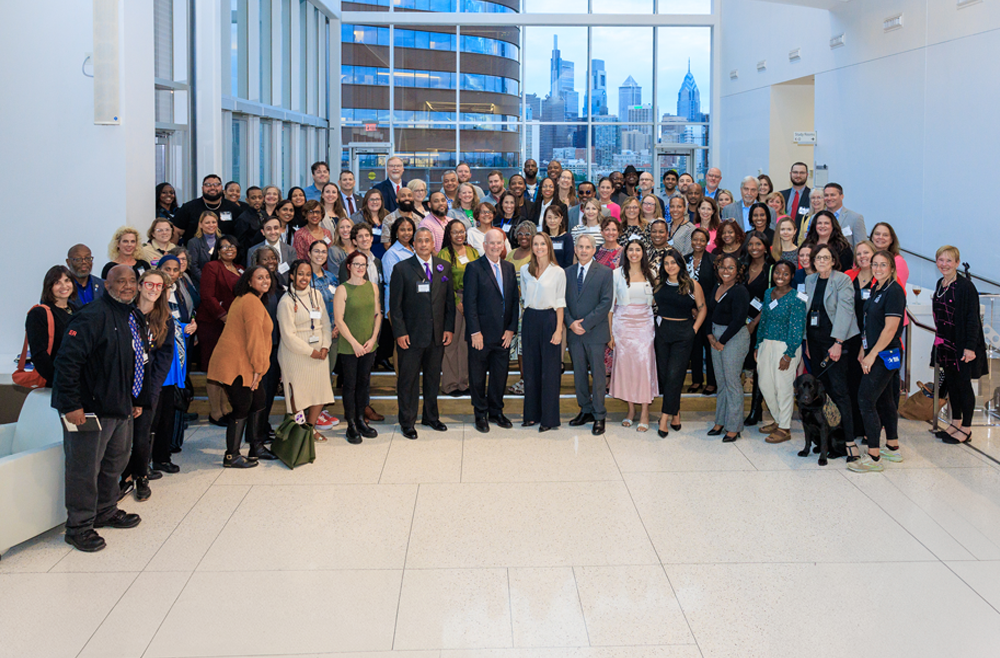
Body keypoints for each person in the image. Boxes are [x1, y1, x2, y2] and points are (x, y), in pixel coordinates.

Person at [52, 265, 145, 552]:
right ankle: (78, 526)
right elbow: (67, 363)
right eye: (121, 281)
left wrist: (136, 399)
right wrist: (71, 405)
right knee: (84, 469)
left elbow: (138, 358)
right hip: (89, 410)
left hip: (120, 406)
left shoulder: (133, 315)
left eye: (132, 281)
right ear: (107, 285)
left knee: (114, 464)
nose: (128, 286)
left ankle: (105, 510)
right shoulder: (91, 316)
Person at [390, 227, 455, 439]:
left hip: (437, 336)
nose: (424, 244)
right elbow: (395, 306)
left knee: (432, 379)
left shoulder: (443, 267)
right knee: (408, 381)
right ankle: (407, 422)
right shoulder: (401, 269)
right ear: (414, 244)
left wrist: (448, 328)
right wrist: (400, 332)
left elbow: (449, 303)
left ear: (433, 244)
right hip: (411, 336)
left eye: (428, 240)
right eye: (420, 241)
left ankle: (431, 417)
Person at [206, 266, 274, 467]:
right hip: (237, 363)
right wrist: (257, 369)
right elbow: (254, 337)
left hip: (244, 360)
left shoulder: (251, 300)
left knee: (258, 401)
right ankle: (232, 455)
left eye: (267, 277)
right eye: (259, 277)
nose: (265, 280)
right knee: (242, 406)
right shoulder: (251, 302)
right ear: (249, 281)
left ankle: (257, 447)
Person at [120, 269, 174, 499]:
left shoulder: (164, 318)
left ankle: (141, 476)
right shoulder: (124, 314)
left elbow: (164, 357)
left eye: (159, 286)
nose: (153, 289)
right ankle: (124, 478)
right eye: (149, 285)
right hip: (121, 384)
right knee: (121, 437)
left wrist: (150, 392)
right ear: (140, 286)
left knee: (142, 435)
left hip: (148, 385)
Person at [851, 251, 906, 472]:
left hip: (885, 355)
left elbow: (891, 327)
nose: (878, 268)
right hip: (875, 351)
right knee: (884, 400)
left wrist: (872, 354)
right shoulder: (877, 288)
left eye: (883, 264)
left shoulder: (894, 290)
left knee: (865, 399)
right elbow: (869, 324)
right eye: (875, 264)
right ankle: (892, 447)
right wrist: (862, 349)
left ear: (892, 267)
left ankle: (873, 457)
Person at [804, 243, 859, 456]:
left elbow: (846, 311)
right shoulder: (810, 280)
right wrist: (806, 341)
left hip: (836, 343)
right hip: (815, 343)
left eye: (826, 258)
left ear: (834, 260)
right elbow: (807, 313)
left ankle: (848, 440)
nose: (822, 262)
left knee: (840, 391)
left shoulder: (842, 280)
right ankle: (827, 438)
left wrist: (838, 342)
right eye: (818, 258)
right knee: (823, 390)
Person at [932, 245, 988, 445]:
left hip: (963, 345)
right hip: (946, 343)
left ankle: (966, 428)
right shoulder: (940, 283)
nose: (944, 264)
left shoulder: (965, 287)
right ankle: (954, 423)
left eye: (949, 260)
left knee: (964, 385)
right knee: (952, 385)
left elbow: (973, 319)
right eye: (941, 260)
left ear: (957, 263)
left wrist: (970, 347)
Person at [463, 229, 518, 433]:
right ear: (484, 245)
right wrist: (475, 332)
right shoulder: (474, 268)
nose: (495, 246)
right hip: (481, 336)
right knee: (477, 377)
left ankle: (496, 412)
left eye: (499, 243)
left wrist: (511, 329)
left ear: (503, 245)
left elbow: (513, 300)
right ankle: (480, 414)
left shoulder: (509, 267)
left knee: (499, 376)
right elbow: (470, 303)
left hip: (503, 335)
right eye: (491, 243)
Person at [278, 259, 337, 444]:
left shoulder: (316, 294)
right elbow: (288, 336)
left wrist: (325, 345)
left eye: (308, 274)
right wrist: (311, 352)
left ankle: (310, 429)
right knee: (299, 394)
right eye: (300, 274)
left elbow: (326, 323)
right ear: (292, 276)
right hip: (296, 353)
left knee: (319, 391)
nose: (304, 277)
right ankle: (298, 431)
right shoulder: (286, 301)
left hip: (320, 350)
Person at [652, 248, 707, 436]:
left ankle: (664, 418)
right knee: (665, 376)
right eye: (666, 263)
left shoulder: (692, 285)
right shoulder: (659, 284)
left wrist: (694, 329)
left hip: (683, 334)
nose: (670, 266)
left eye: (673, 262)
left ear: (680, 264)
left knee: (675, 375)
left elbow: (702, 308)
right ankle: (675, 413)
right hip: (662, 333)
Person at [564, 234, 614, 436]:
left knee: (598, 375)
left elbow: (606, 303)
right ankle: (584, 409)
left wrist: (585, 323)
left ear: (594, 250)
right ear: (575, 249)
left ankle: (599, 414)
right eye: (580, 247)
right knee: (579, 374)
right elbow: (562, 301)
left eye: (588, 247)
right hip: (574, 333)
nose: (583, 250)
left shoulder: (605, 272)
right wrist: (570, 323)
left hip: (594, 332)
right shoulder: (566, 273)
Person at [754, 261, 806, 444]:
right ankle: (777, 420)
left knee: (783, 387)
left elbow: (797, 328)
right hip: (766, 344)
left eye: (785, 274)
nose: (780, 277)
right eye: (777, 272)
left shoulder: (797, 298)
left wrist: (789, 354)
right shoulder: (768, 293)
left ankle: (784, 427)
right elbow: (764, 320)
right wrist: (758, 344)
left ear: (792, 276)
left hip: (786, 346)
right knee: (765, 384)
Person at [609, 241, 659, 432]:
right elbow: (611, 306)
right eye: (630, 249)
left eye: (638, 249)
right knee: (627, 368)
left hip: (644, 324)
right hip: (623, 325)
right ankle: (630, 410)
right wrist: (611, 333)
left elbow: (656, 299)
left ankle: (645, 410)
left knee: (644, 365)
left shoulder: (652, 273)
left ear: (643, 252)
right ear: (626, 252)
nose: (634, 253)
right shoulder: (616, 274)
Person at [334, 250, 383, 443]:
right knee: (350, 384)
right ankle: (351, 423)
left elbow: (377, 314)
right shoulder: (342, 289)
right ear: (349, 266)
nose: (360, 268)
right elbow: (339, 320)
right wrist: (354, 343)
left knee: (364, 383)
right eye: (357, 264)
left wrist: (372, 339)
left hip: (368, 344)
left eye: (363, 265)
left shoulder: (372, 287)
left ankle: (362, 419)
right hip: (349, 345)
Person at [520, 232, 566, 431]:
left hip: (549, 320)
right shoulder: (524, 270)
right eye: (535, 244)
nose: (539, 247)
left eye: (542, 244)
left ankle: (549, 419)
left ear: (549, 246)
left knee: (549, 372)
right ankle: (531, 415)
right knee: (530, 370)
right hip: (530, 319)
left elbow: (560, 303)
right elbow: (523, 299)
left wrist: (558, 331)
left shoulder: (558, 272)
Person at [154, 255, 198, 458]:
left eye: (175, 269)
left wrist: (192, 324)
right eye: (167, 269)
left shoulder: (180, 290)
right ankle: (158, 452)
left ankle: (171, 445)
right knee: (161, 406)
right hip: (161, 355)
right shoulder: (155, 293)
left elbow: (187, 314)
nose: (171, 273)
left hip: (180, 351)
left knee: (175, 401)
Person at [196, 235, 243, 423]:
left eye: (232, 246)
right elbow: (207, 297)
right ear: (217, 250)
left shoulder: (240, 269)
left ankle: (225, 408)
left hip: (233, 326)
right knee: (213, 368)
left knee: (226, 368)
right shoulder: (212, 267)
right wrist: (224, 317)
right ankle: (215, 412)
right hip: (213, 324)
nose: (229, 249)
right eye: (224, 247)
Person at [706, 255, 751, 442]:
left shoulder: (740, 291)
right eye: (723, 267)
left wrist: (721, 341)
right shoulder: (717, 287)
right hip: (715, 336)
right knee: (721, 381)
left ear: (738, 271)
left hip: (733, 337)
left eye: (731, 268)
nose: (726, 271)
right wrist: (710, 336)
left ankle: (734, 426)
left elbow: (739, 319)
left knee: (732, 382)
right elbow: (708, 312)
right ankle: (720, 421)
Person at [438, 219, 478, 396]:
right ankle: (451, 384)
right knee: (452, 344)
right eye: (455, 232)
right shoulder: (444, 254)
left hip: (472, 300)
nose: (459, 235)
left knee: (466, 344)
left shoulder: (472, 251)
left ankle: (464, 383)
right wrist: (457, 302)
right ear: (448, 234)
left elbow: (479, 275)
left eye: (462, 231)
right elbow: (443, 280)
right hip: (451, 301)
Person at [742, 230, 776, 426]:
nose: (754, 248)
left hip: (762, 324)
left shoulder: (771, 269)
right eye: (751, 244)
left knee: (759, 367)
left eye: (758, 244)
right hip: (740, 324)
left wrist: (755, 323)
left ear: (765, 246)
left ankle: (756, 409)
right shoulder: (742, 266)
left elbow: (774, 298)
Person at [24, 266, 77, 387]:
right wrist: (59, 381)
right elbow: (39, 355)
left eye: (67, 280)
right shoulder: (39, 314)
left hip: (78, 382)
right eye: (57, 282)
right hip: (56, 384)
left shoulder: (77, 311)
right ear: (49, 287)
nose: (64, 286)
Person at [686, 228, 717, 395]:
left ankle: (711, 382)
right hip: (689, 312)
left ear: (707, 242)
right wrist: (691, 308)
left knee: (709, 346)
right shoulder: (684, 260)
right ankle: (697, 380)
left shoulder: (713, 261)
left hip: (708, 310)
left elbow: (715, 288)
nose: (698, 243)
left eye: (702, 240)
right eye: (695, 239)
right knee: (694, 348)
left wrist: (703, 308)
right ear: (691, 241)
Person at [506, 221, 535, 395]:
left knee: (526, 346)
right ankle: (523, 379)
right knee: (518, 348)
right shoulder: (510, 255)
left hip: (529, 306)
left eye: (527, 234)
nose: (523, 237)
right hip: (512, 306)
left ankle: (528, 380)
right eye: (520, 234)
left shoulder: (536, 254)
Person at [173, 174, 242, 243]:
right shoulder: (188, 208)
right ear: (202, 188)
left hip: (225, 251)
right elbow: (176, 232)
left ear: (221, 188)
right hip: (194, 251)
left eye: (216, 185)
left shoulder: (234, 208)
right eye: (208, 185)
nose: (212, 188)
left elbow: (240, 234)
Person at [382, 216, 417, 305]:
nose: (406, 233)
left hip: (414, 298)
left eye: (409, 229)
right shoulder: (391, 254)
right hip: (398, 300)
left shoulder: (415, 249)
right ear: (396, 232)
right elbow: (393, 280)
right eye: (402, 230)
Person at [247, 217, 296, 281]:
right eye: (269, 229)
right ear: (263, 232)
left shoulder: (290, 250)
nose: (273, 232)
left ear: (280, 230)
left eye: (276, 228)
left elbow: (293, 274)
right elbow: (250, 276)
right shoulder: (253, 251)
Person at [235, 185, 280, 249]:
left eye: (260, 197)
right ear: (247, 200)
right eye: (253, 198)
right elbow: (240, 243)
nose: (257, 200)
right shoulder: (243, 219)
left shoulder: (265, 214)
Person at [822, 183, 865, 248]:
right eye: (826, 195)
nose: (829, 198)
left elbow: (861, 247)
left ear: (842, 196)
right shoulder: (816, 218)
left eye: (832, 195)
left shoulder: (855, 218)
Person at [186, 211, 222, 284]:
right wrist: (208, 281)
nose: (211, 225)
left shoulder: (224, 240)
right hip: (203, 284)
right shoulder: (193, 243)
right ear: (200, 225)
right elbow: (193, 267)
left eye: (213, 222)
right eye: (207, 223)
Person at [870, 222, 909, 287]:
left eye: (885, 235)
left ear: (891, 240)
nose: (880, 237)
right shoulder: (864, 258)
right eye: (877, 234)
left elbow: (898, 290)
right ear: (872, 237)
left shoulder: (898, 262)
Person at [352, 189, 389, 257]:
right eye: (371, 199)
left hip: (385, 257)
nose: (375, 202)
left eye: (377, 199)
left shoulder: (387, 216)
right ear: (366, 201)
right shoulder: (357, 218)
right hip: (365, 257)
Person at [66, 244, 104, 308]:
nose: (84, 262)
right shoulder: (62, 288)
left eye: (88, 258)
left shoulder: (103, 285)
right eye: (78, 259)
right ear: (68, 262)